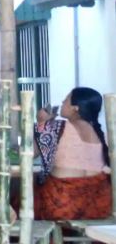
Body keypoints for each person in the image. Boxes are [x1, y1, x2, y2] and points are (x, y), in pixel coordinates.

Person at [35, 87, 111, 220]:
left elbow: (31, 152)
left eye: (66, 100)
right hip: (99, 207)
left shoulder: (57, 127)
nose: (62, 102)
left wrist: (41, 122)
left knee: (19, 199)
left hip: (63, 204)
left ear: (76, 108)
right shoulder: (102, 135)